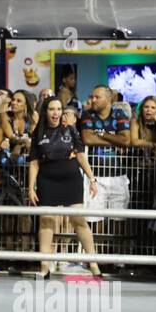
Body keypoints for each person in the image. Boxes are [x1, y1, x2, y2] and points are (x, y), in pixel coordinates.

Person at [28, 97, 100, 278]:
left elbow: (81, 156)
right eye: (52, 109)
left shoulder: (70, 129)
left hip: (71, 179)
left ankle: (94, 265)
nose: (56, 113)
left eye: (59, 109)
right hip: (47, 181)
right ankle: (44, 267)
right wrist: (30, 187)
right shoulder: (37, 133)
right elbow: (34, 163)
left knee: (79, 222)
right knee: (46, 223)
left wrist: (92, 179)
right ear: (46, 111)